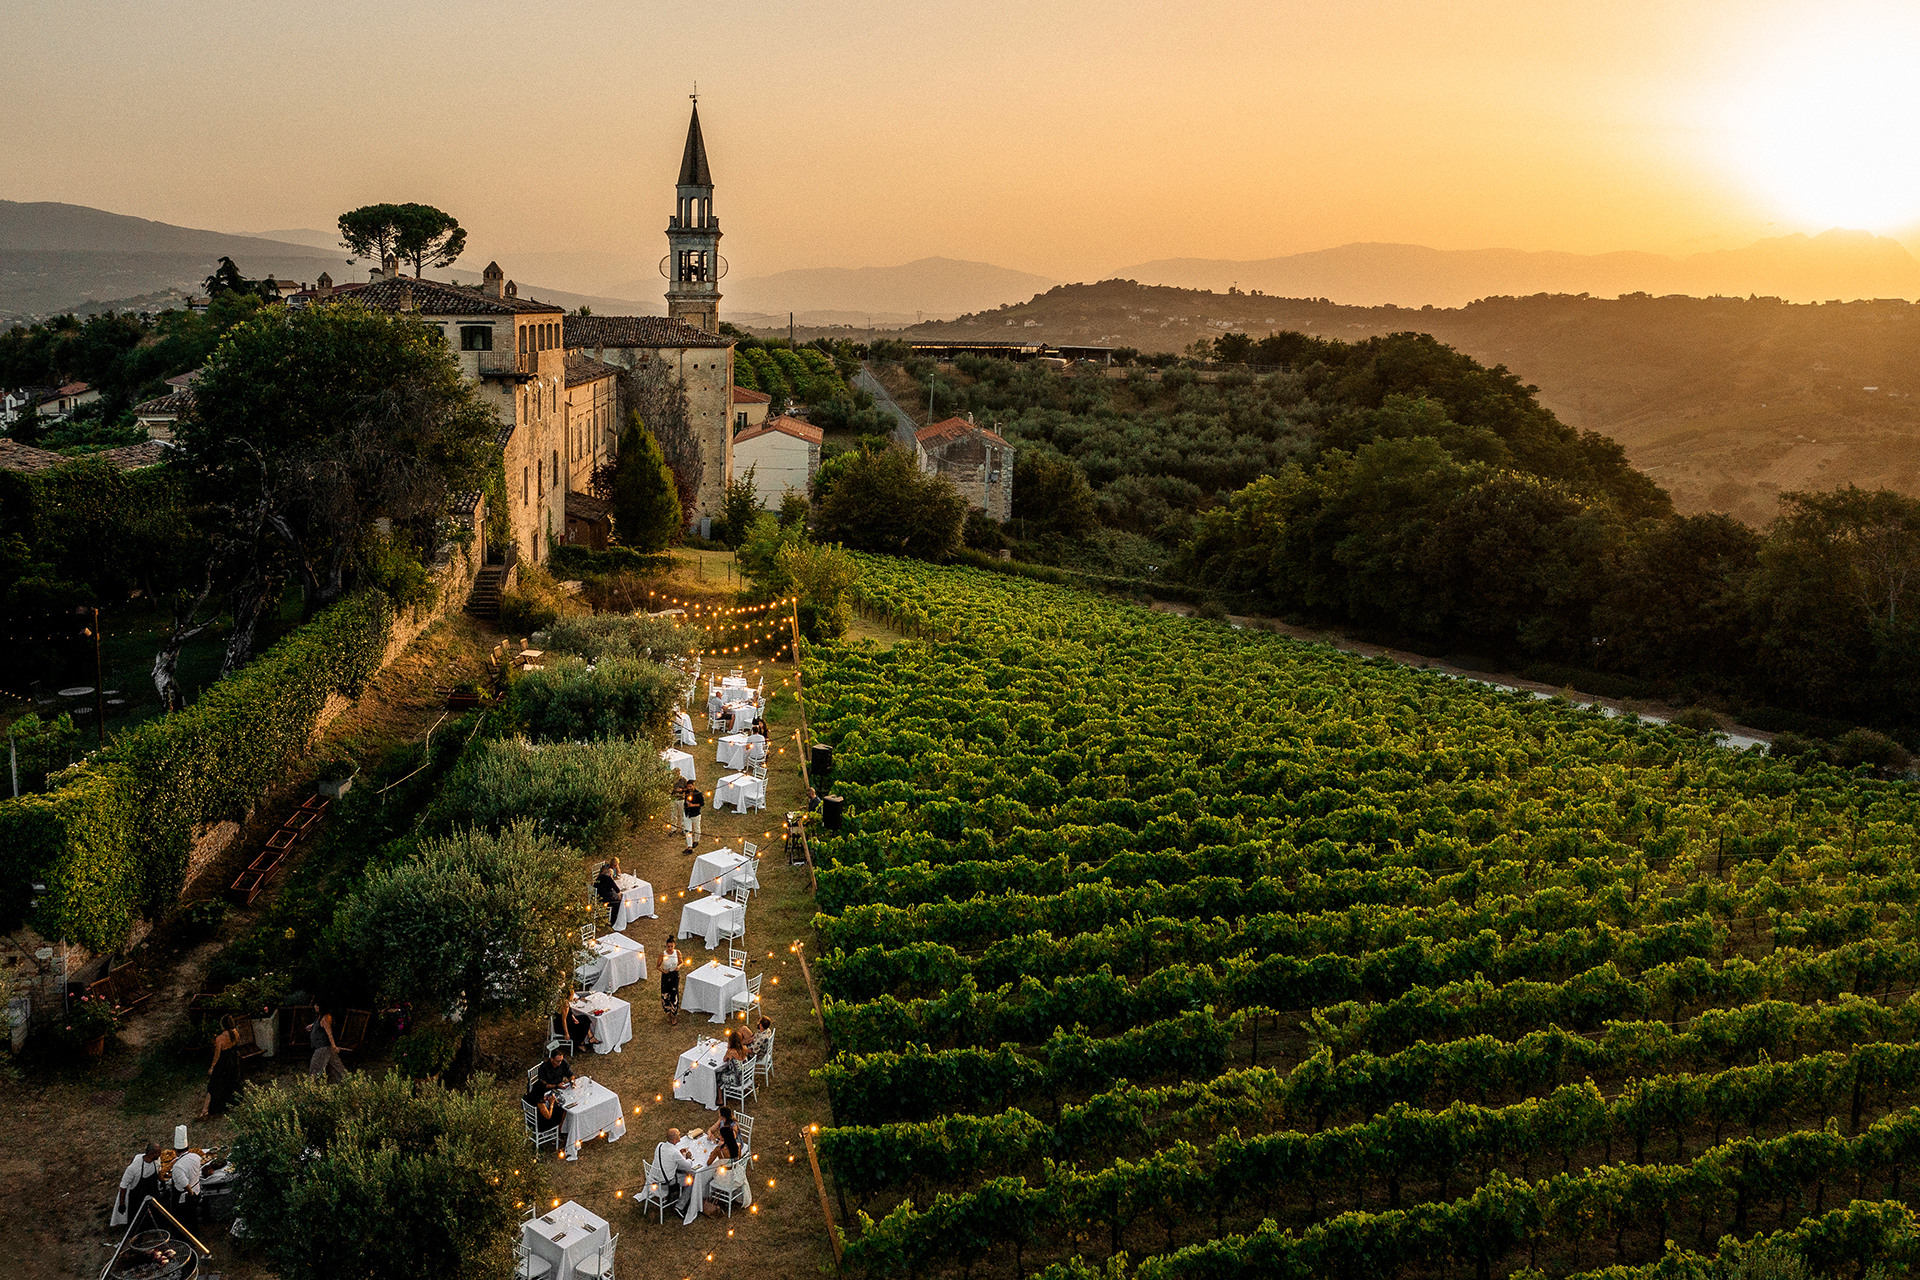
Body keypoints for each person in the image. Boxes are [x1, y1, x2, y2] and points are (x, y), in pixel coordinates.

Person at [198, 1016, 243, 1118]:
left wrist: (212, 1067)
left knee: (213, 1085)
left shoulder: (220, 1039)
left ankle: (205, 1110)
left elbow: (217, 1056)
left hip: (224, 1063)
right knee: (231, 1081)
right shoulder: (235, 1033)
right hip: (233, 1060)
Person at [652, 1128, 702, 1218]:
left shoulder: (660, 1145)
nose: (680, 1135)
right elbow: (687, 1166)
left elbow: (668, 1158)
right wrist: (689, 1158)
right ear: (675, 1139)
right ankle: (680, 1206)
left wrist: (679, 1154)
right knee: (692, 1179)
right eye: (679, 1134)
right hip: (666, 1182)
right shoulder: (674, 1153)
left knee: (684, 1172)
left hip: (654, 1178)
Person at [112, 1142, 162, 1227]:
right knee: (138, 1221)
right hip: (138, 1199)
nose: (160, 1154)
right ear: (152, 1154)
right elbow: (123, 1186)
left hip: (152, 1194)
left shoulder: (156, 1161)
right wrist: (122, 1204)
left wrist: (162, 1181)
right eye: (159, 1152)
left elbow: (159, 1171)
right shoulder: (133, 1168)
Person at [169, 1141, 203, 1227]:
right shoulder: (196, 1157)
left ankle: (185, 1238)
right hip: (197, 1189)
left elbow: (184, 1184)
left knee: (184, 1220)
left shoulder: (178, 1166)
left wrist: (191, 1195)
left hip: (186, 1197)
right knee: (193, 1217)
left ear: (176, 1151)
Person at [309, 1009, 346, 1083]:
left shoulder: (325, 1018)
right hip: (321, 1047)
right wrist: (312, 1026)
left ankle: (312, 1087)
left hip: (323, 1048)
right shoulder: (319, 1017)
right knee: (336, 1068)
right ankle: (345, 1082)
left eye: (316, 1005)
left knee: (315, 1069)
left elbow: (329, 1034)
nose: (315, 1007)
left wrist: (334, 1046)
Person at [660, 936, 683, 1024]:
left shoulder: (677, 953)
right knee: (665, 994)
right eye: (668, 946)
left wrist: (678, 967)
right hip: (666, 976)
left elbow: (681, 962)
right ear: (666, 946)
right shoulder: (663, 954)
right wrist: (663, 971)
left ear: (674, 946)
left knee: (674, 995)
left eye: (671, 946)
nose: (670, 948)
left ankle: (674, 1015)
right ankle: (668, 1012)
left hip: (674, 975)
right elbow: (658, 966)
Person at [683, 784, 704, 850]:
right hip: (687, 814)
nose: (689, 788)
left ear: (693, 786)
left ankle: (696, 840)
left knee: (697, 828)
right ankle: (689, 846)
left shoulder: (698, 794)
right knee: (688, 830)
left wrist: (693, 805)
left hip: (695, 814)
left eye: (690, 786)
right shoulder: (687, 793)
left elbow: (702, 804)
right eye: (688, 786)